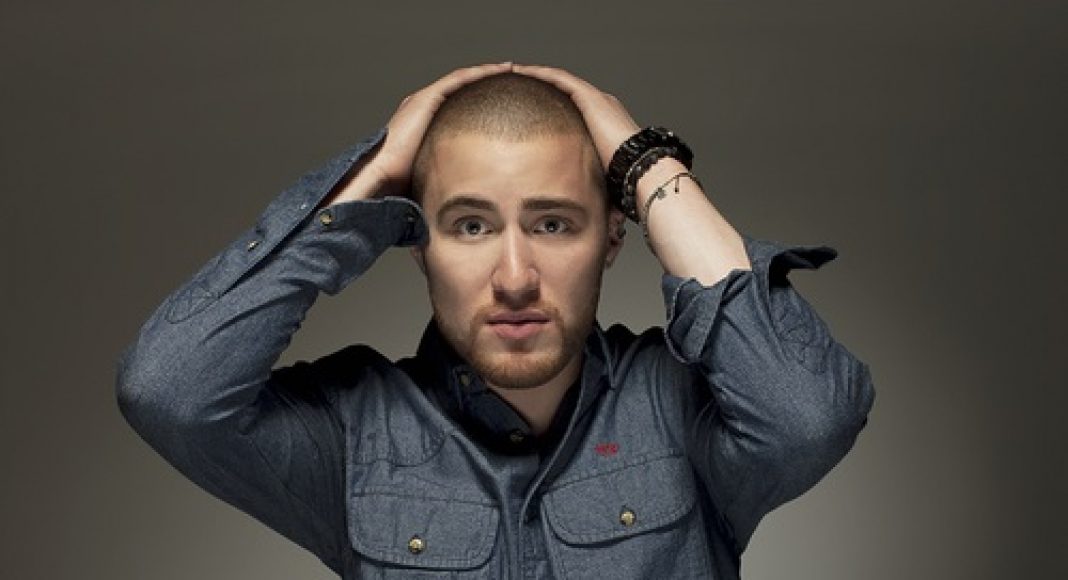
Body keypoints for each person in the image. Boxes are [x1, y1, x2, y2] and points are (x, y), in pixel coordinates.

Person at [116, 62, 875, 579]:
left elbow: (808, 416)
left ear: (614, 237)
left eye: (553, 224)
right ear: (416, 241)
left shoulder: (684, 411)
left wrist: (646, 164)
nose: (515, 279)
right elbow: (169, 389)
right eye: (471, 226)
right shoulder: (350, 435)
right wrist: (366, 182)